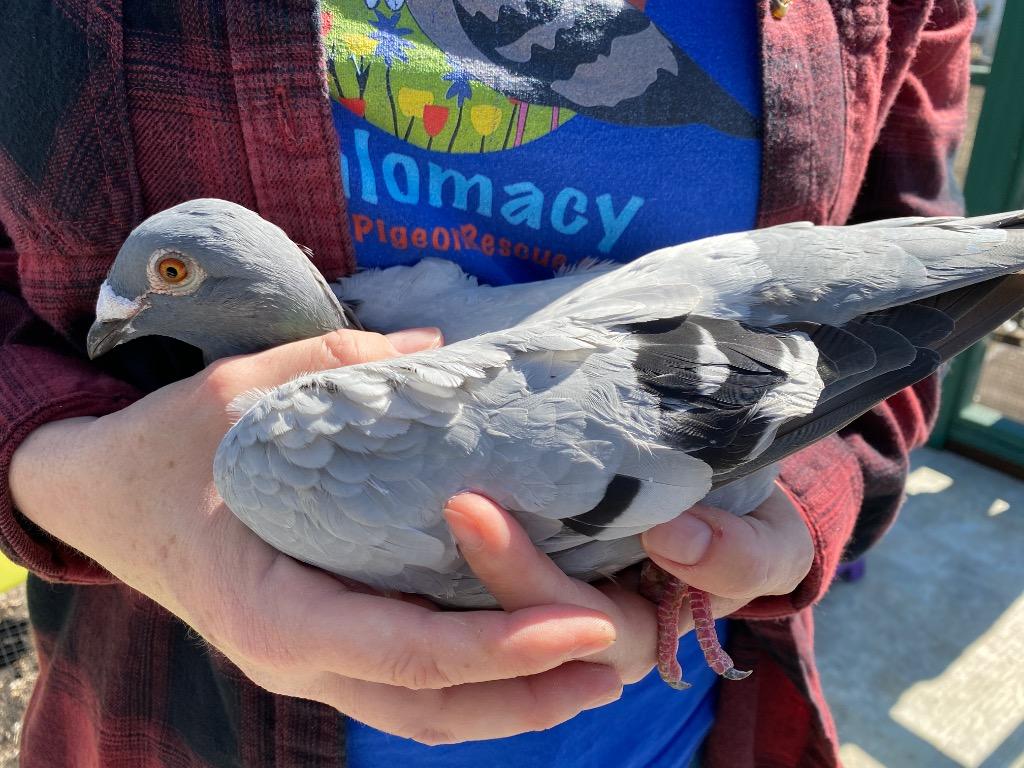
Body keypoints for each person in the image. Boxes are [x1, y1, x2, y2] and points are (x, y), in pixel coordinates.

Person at [0, 1, 969, 765]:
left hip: (681, 729)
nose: (116, 312)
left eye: (166, 281)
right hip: (175, 728)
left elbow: (892, 251)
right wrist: (75, 476)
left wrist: (780, 512)